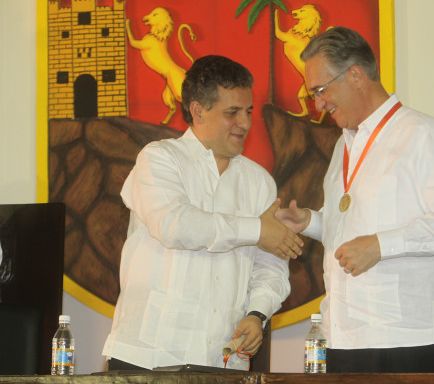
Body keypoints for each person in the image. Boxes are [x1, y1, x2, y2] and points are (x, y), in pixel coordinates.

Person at [276, 27, 434, 373]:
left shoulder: (423, 135)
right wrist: (311, 221)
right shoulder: (344, 144)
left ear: (355, 75)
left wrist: (381, 245)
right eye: (315, 95)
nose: (319, 104)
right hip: (344, 336)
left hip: (404, 338)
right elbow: (353, 224)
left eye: (321, 90)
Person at [102, 55, 303, 371]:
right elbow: (176, 225)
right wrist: (258, 230)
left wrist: (257, 314)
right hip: (150, 356)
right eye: (232, 113)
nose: (246, 123)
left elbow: (270, 265)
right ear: (197, 110)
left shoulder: (259, 181)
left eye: (248, 111)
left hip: (224, 360)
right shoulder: (159, 159)